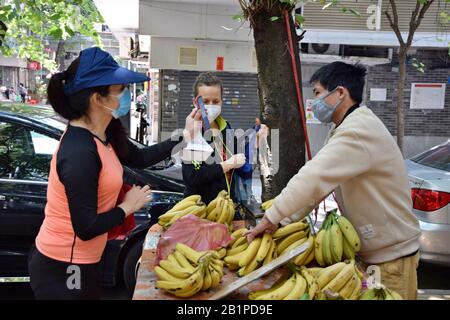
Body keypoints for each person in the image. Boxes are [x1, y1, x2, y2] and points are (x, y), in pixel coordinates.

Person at [28, 47, 200, 300]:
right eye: (120, 90)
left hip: (85, 260)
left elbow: (140, 158)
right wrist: (127, 207)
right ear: (98, 98)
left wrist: (184, 137)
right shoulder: (79, 152)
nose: (127, 96)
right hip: (65, 265)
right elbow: (85, 227)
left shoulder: (104, 134)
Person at [246, 62, 421, 300]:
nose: (314, 102)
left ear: (340, 93)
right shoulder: (347, 127)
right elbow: (320, 186)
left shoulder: (358, 130)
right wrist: (282, 219)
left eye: (318, 93)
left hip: (391, 260)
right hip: (377, 255)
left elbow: (314, 176)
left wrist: (272, 216)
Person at [182, 72, 246, 204]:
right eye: (205, 101)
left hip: (226, 207)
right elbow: (193, 177)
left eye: (215, 101)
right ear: (196, 102)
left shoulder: (226, 127)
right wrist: (228, 164)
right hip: (199, 209)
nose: (211, 105)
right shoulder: (193, 132)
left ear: (221, 101)